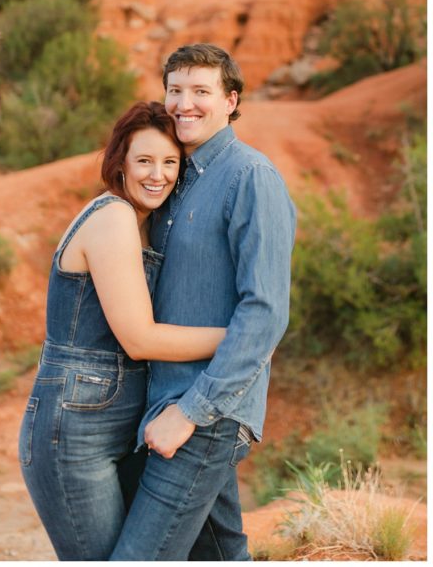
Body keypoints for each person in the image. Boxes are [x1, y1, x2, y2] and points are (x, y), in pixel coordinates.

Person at [110, 43, 296, 561]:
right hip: (165, 405)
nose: (184, 103)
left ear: (231, 100)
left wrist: (190, 413)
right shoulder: (174, 181)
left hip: (205, 416)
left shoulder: (251, 178)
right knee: (218, 553)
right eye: (175, 90)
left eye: (201, 91)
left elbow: (264, 312)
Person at [19, 101, 227, 561]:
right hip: (75, 430)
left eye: (170, 162)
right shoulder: (112, 217)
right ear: (120, 163)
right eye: (144, 161)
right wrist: (241, 338)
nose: (158, 175)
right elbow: (140, 339)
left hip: (128, 424)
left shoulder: (146, 225)